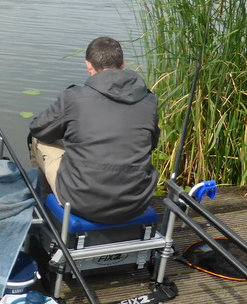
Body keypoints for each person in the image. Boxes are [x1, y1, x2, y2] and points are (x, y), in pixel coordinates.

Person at [28, 36, 158, 224]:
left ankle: (47, 208)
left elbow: (39, 129)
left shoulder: (73, 97)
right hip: (135, 203)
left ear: (89, 65)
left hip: (80, 202)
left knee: (37, 139)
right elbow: (151, 144)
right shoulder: (149, 101)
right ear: (122, 65)